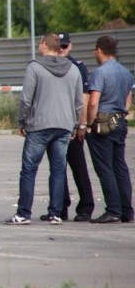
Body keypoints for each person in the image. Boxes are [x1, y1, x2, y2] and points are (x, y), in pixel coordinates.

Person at [5, 33, 83, 225]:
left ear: (45, 45)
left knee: (29, 170)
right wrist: (74, 124)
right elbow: (78, 102)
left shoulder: (35, 67)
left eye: (40, 42)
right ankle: (55, 213)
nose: (38, 45)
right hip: (64, 126)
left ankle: (23, 213)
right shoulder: (73, 70)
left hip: (39, 125)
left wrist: (22, 121)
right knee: (58, 170)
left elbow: (26, 99)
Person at [39, 32, 95, 222]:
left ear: (70, 47)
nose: (62, 49)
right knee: (57, 169)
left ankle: (86, 207)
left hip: (71, 125)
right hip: (54, 124)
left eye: (65, 46)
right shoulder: (46, 65)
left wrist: (82, 124)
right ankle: (59, 207)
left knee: (78, 167)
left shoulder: (76, 67)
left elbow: (84, 98)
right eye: (59, 46)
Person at [85, 35, 134, 224]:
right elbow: (128, 98)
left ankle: (112, 210)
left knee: (105, 168)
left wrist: (89, 125)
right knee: (120, 167)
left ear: (99, 50)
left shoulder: (100, 73)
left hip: (103, 122)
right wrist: (123, 112)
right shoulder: (125, 72)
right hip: (120, 122)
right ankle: (127, 211)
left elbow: (93, 102)